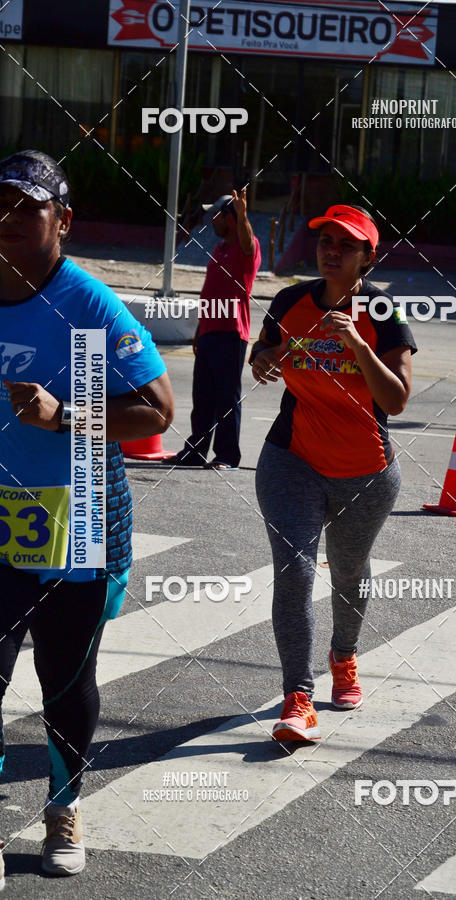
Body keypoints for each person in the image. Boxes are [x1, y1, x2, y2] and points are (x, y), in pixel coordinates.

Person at [0, 150, 174, 879]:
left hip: (79, 528)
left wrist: (65, 413)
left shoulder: (89, 305)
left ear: (62, 220)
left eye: (25, 208)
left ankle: (63, 806)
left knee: (65, 684)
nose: (6, 220)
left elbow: (157, 411)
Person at [251, 204, 417, 741]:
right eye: (325, 239)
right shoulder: (290, 300)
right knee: (295, 570)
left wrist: (360, 345)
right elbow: (264, 352)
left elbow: (395, 400)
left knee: (348, 571)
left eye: (346, 244)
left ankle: (343, 657)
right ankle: (297, 698)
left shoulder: (384, 313)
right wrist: (264, 361)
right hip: (290, 459)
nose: (331, 250)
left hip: (365, 471)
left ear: (368, 256)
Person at [168, 189, 261, 470]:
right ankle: (196, 451)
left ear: (231, 218)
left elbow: (248, 242)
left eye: (217, 215)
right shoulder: (220, 249)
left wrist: (243, 217)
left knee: (227, 398)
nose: (212, 221)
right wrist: (199, 330)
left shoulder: (247, 248)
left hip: (231, 333)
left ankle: (227, 456)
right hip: (209, 332)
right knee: (203, 397)